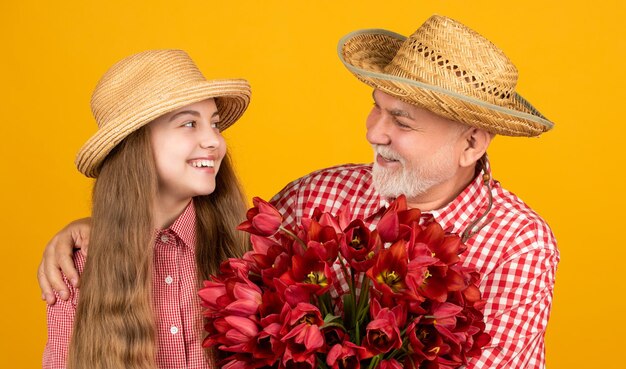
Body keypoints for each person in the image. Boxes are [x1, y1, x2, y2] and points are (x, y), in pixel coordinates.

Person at [39, 15, 559, 369]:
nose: (374, 132)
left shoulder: (518, 245)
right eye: (376, 107)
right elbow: (218, 243)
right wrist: (92, 230)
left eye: (400, 120)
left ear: (471, 142)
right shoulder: (320, 196)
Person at [42, 49, 251, 369]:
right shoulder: (79, 268)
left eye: (215, 124)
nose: (213, 141)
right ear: (136, 144)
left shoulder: (245, 249)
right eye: (189, 124)